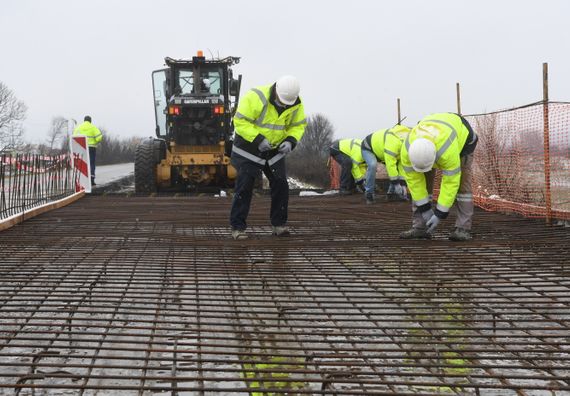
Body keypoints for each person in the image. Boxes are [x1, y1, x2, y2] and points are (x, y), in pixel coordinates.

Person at [229, 75, 306, 240]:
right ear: (276, 90)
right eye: (282, 100)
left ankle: (279, 225)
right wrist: (258, 139)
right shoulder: (256, 97)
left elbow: (298, 126)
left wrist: (290, 141)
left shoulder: (296, 103)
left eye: (288, 102)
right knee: (245, 186)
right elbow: (240, 122)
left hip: (274, 149)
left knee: (280, 184)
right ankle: (238, 228)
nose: (285, 104)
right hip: (248, 148)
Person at [399, 112, 478, 241]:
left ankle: (463, 229)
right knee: (423, 183)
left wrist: (440, 213)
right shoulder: (407, 151)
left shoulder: (447, 150)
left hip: (464, 141)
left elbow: (450, 182)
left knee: (463, 185)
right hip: (434, 133)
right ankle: (420, 228)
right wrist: (425, 208)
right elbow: (414, 183)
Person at [361, 124, 411, 204]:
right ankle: (369, 193)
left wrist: (403, 184)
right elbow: (390, 165)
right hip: (368, 147)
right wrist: (397, 185)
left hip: (381, 150)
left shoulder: (408, 145)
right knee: (373, 165)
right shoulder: (393, 144)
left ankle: (391, 194)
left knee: (395, 169)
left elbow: (402, 165)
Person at [73, 115, 103, 185]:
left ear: (84, 120)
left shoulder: (78, 127)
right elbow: (99, 137)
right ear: (90, 121)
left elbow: (74, 136)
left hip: (81, 147)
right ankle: (91, 180)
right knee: (91, 163)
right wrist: (95, 142)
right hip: (91, 148)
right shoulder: (93, 127)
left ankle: (81, 180)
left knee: (81, 163)